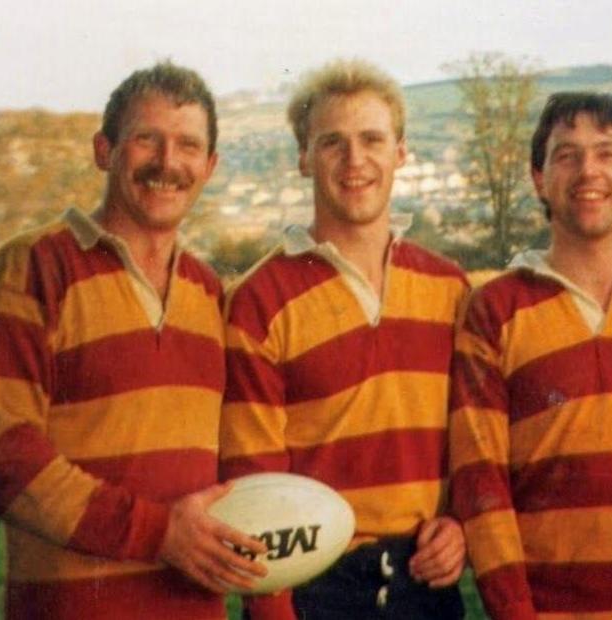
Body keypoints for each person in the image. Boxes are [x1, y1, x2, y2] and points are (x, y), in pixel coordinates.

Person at [0, 62, 267, 619]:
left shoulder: (209, 292)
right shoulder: (31, 267)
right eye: (147, 139)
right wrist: (158, 533)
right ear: (104, 151)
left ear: (210, 166)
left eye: (188, 146)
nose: (168, 162)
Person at [449, 92, 612, 619]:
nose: (588, 170)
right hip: (546, 607)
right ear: (539, 179)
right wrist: (514, 611)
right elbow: (480, 478)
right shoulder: (495, 309)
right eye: (566, 155)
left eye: (607, 153)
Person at [220, 59, 468, 619]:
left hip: (426, 586)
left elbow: (472, 444)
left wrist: (460, 525)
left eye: (372, 139)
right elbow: (251, 480)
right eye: (332, 142)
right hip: (313, 589)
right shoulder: (259, 299)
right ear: (303, 158)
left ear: (400, 152)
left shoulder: (450, 288)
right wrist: (273, 609)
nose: (355, 160)